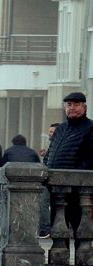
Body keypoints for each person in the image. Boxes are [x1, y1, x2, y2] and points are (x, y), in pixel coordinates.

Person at [47, 90, 93, 237]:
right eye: (69, 104)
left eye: (76, 104)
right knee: (59, 227)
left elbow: (90, 158)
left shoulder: (90, 128)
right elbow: (50, 153)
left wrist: (74, 177)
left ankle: (83, 257)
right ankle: (60, 256)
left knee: (79, 225)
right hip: (56, 187)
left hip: (77, 189)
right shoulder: (61, 129)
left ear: (84, 107)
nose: (72, 108)